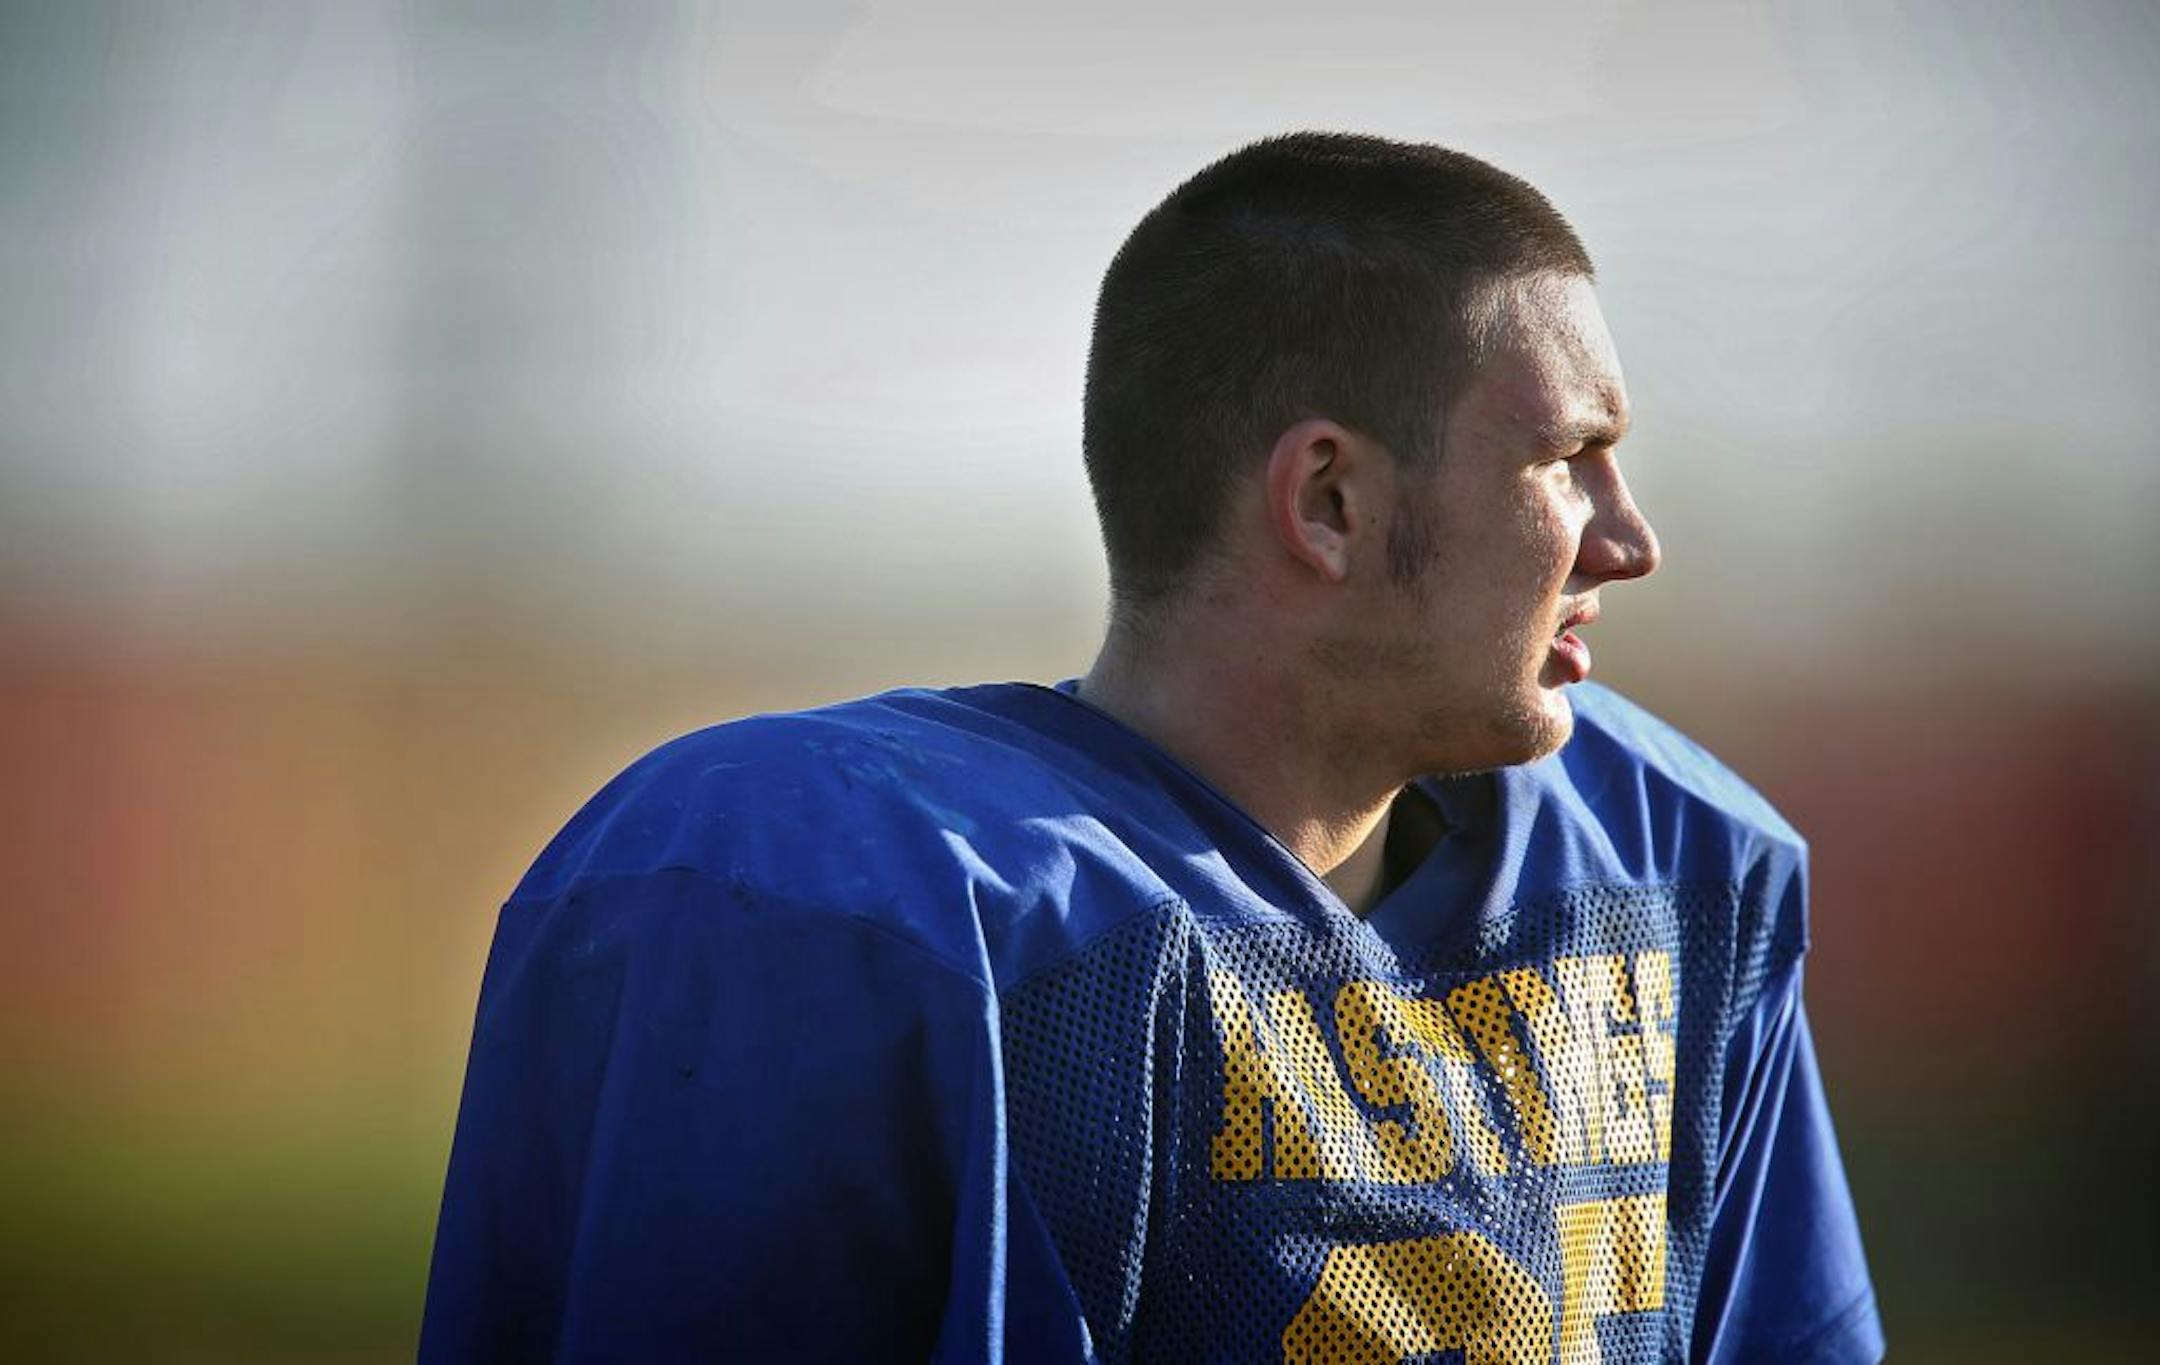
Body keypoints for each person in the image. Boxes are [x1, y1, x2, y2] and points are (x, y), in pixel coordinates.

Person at [420, 132, 1883, 1364]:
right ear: (1329, 500)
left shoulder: (1667, 863)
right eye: (1568, 458)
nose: (1630, 540)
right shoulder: (834, 900)